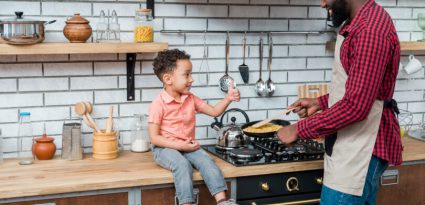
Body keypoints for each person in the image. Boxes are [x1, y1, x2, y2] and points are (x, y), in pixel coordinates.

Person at [276, 0, 402, 204]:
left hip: (362, 150)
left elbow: (356, 106)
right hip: (350, 147)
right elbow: (360, 88)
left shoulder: (370, 30)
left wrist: (299, 129)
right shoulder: (355, 23)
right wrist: (320, 102)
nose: (322, 3)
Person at [148, 49, 240, 205]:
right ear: (168, 79)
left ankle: (223, 202)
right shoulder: (158, 103)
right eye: (187, 75)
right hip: (164, 148)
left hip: (188, 146)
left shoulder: (190, 98)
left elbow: (213, 111)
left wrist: (228, 98)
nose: (192, 79)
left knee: (207, 161)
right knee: (182, 165)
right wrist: (179, 145)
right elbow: (154, 138)